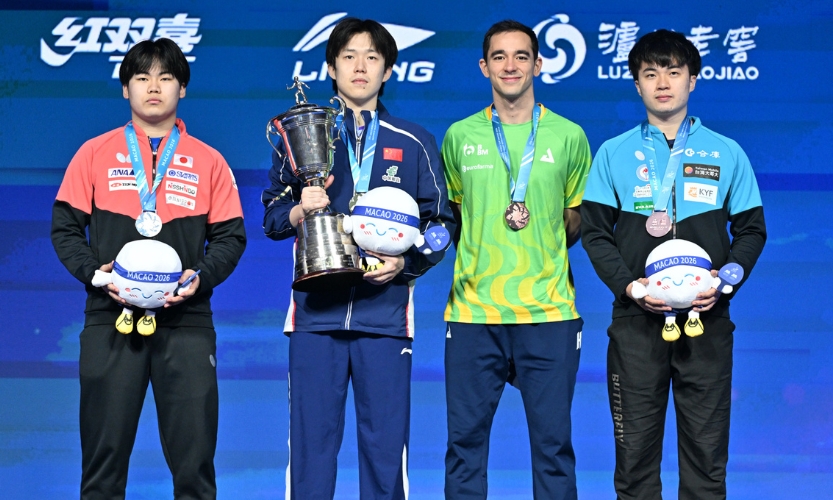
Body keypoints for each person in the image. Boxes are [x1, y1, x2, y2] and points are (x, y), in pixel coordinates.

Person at [262, 18, 454, 500]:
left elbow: (441, 225)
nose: (360, 66)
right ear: (331, 67)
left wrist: (406, 265)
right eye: (349, 56)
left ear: (387, 70)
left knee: (386, 455)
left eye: (372, 57)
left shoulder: (413, 141)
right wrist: (299, 209)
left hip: (385, 317)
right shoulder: (304, 135)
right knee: (310, 454)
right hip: (315, 315)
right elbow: (272, 218)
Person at [50, 38, 246, 499]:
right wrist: (95, 274)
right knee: (102, 469)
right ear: (126, 89)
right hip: (110, 321)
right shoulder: (93, 153)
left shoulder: (209, 160)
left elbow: (230, 238)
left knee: (195, 470)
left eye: (166, 77)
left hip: (187, 324)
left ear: (183, 88)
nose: (153, 87)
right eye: (142, 77)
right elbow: (65, 228)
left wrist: (200, 278)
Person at [580, 29, 767, 499]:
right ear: (636, 84)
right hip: (636, 325)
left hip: (708, 323)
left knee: (707, 465)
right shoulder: (613, 153)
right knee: (634, 466)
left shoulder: (726, 152)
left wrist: (725, 283)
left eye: (674, 72)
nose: (662, 83)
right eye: (650, 73)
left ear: (692, 80)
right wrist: (630, 288)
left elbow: (752, 232)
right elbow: (595, 234)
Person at [441, 20, 591, 500]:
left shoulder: (569, 136)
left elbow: (575, 218)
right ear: (484, 66)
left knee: (553, 449)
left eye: (521, 56)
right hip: (473, 313)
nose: (510, 66)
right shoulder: (459, 136)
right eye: (499, 57)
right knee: (464, 449)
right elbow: (457, 218)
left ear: (538, 64)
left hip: (548, 312)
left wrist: (539, 244)